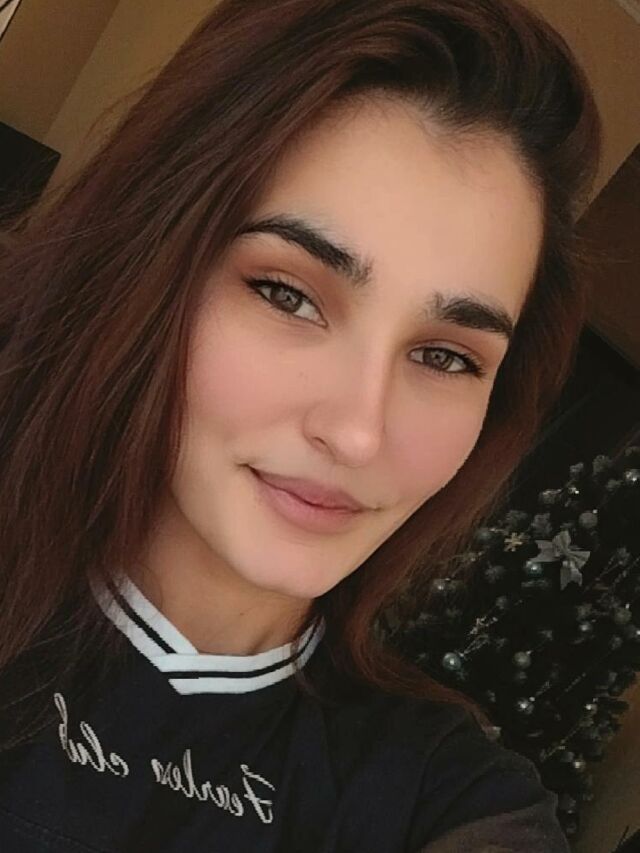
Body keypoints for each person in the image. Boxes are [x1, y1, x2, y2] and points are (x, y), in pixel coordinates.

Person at [0, 0, 602, 850]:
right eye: (288, 294)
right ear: (153, 264)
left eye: (445, 356)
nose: (358, 432)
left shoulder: (448, 797)